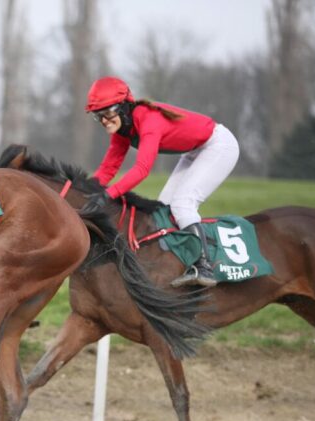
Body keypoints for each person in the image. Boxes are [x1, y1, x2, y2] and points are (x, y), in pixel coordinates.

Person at [83, 76, 240, 288]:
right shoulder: (122, 130)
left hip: (219, 146)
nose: (104, 120)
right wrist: (83, 191)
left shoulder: (148, 120)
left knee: (183, 204)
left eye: (108, 112)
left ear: (124, 106)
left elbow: (142, 170)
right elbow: (107, 169)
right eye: (98, 116)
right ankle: (177, 263)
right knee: (164, 209)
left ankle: (204, 267)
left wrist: (107, 195)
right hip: (195, 150)